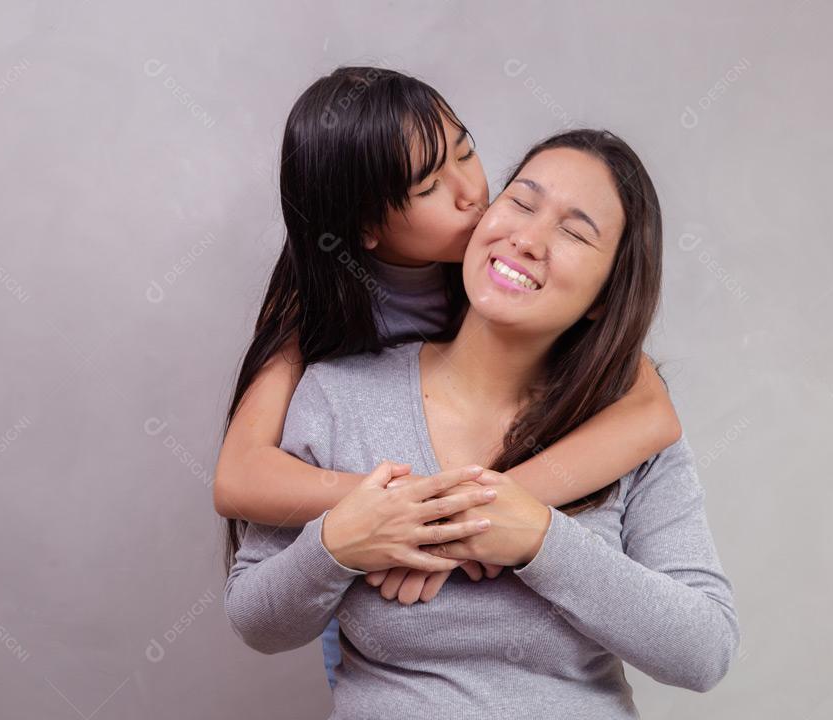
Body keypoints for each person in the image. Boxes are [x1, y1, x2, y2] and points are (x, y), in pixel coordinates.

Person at [225, 129, 739, 718]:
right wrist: (339, 543)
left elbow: (705, 650)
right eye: (521, 201)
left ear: (605, 295)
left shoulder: (626, 434)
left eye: (574, 232)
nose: (528, 239)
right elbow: (256, 621)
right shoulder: (340, 395)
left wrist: (541, 540)